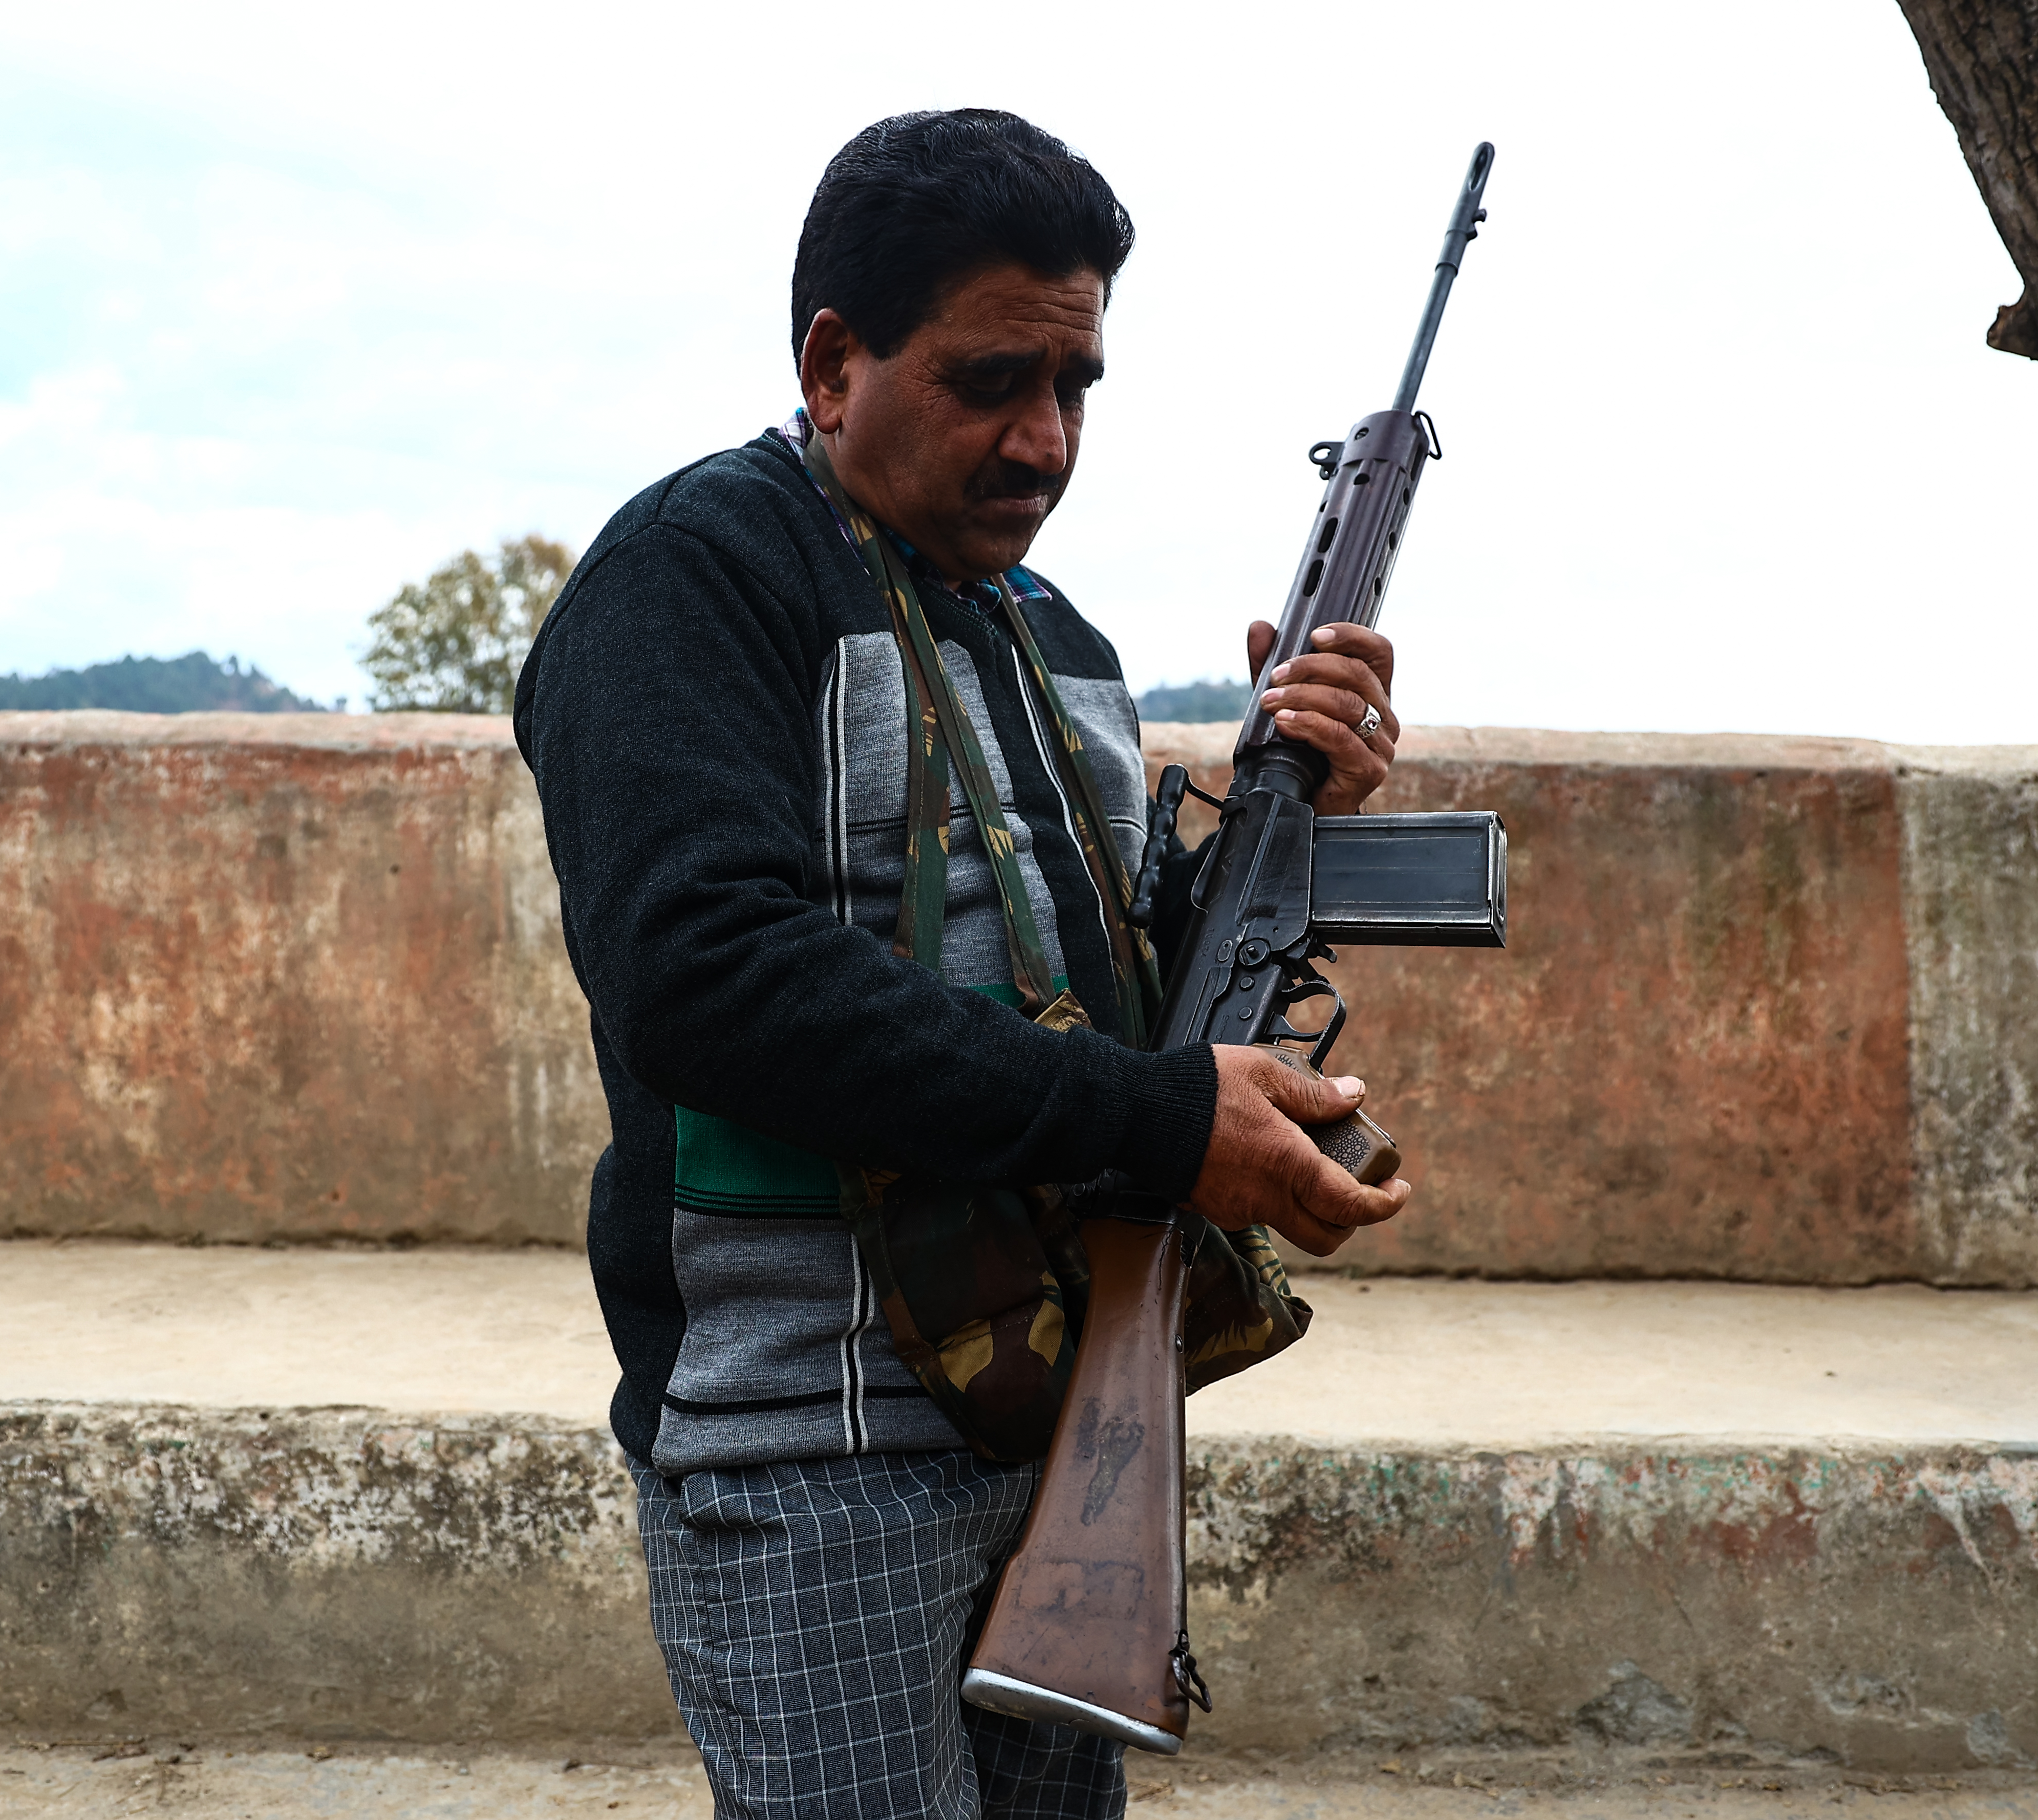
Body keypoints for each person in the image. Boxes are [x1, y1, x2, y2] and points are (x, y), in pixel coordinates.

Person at [517, 107, 1412, 1820]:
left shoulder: (1052, 635)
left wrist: (1290, 814)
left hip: (1056, 1411)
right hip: (811, 1449)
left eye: (1075, 386)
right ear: (834, 360)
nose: (1045, 440)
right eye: (995, 380)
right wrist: (1158, 1118)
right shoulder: (695, 579)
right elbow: (706, 974)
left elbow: (1120, 990)